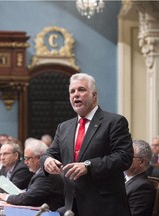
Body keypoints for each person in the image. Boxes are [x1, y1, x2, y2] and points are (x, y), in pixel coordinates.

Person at [41, 73, 133, 216]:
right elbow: (49, 153)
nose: (76, 95)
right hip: (72, 206)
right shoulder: (64, 127)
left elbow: (124, 157)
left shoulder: (114, 122)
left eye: (81, 90)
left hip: (105, 207)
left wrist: (88, 166)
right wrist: (47, 160)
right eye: (72, 91)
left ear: (94, 95)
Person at [0, 139, 65, 211]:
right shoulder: (40, 172)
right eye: (24, 158)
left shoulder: (46, 174)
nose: (25, 162)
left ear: (39, 158)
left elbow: (28, 199)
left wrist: (6, 197)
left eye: (28, 158)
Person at [125, 140, 155, 216]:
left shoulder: (143, 187)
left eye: (129, 156)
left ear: (141, 162)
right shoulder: (121, 178)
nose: (123, 158)